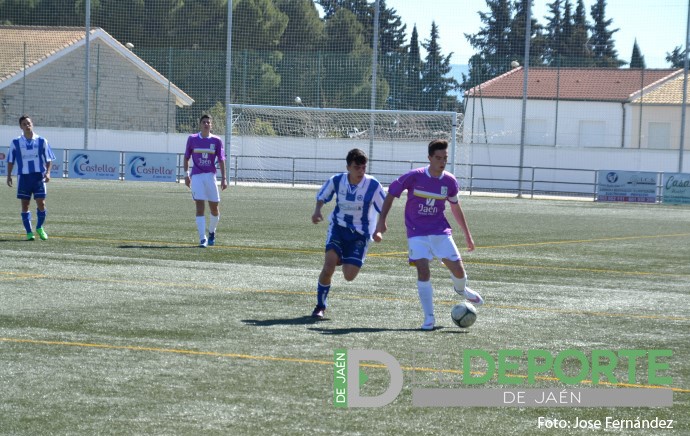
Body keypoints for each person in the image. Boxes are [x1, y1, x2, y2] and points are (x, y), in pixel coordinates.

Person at [374, 139, 483, 330]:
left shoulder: (449, 181)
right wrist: (381, 221)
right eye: (438, 158)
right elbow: (391, 194)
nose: (442, 162)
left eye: (445, 158)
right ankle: (429, 318)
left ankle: (461, 289)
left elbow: (456, 208)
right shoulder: (414, 177)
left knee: (459, 271)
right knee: (423, 271)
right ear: (429, 158)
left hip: (440, 231)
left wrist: (467, 234)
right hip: (416, 232)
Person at [311, 148, 386, 320]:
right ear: (348, 167)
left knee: (349, 276)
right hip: (338, 227)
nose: (361, 171)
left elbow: (384, 207)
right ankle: (320, 306)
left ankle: (342, 256)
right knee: (328, 266)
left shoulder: (373, 185)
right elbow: (322, 195)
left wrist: (380, 228)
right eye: (357, 167)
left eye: (363, 168)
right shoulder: (337, 180)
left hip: (360, 234)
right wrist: (317, 211)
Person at [6, 115, 56, 241]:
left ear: (32, 124)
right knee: (25, 205)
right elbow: (10, 160)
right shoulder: (15, 142)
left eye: (28, 123)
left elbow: (49, 159)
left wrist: (48, 173)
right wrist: (9, 175)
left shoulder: (42, 141)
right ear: (20, 127)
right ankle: (29, 233)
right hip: (23, 178)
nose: (27, 125)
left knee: (41, 203)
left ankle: (39, 227)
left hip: (38, 177)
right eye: (24, 124)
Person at [183, 114, 228, 247]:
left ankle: (212, 232)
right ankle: (202, 238)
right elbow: (186, 157)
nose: (206, 124)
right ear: (200, 124)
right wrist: (186, 174)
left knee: (214, 208)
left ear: (211, 125)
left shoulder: (216, 141)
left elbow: (221, 160)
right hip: (196, 176)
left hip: (210, 176)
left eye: (208, 122)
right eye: (204, 122)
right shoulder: (192, 139)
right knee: (200, 207)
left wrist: (224, 178)